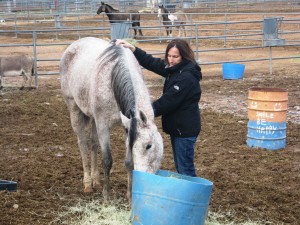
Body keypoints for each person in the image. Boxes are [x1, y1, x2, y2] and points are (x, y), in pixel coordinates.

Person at [115, 38, 202, 177]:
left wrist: (142, 113)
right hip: (178, 128)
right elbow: (154, 63)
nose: (171, 60)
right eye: (169, 56)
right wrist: (134, 50)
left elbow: (167, 102)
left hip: (185, 131)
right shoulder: (175, 69)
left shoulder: (187, 77)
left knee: (185, 167)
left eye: (175, 57)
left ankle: (193, 196)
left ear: (184, 56)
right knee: (181, 165)